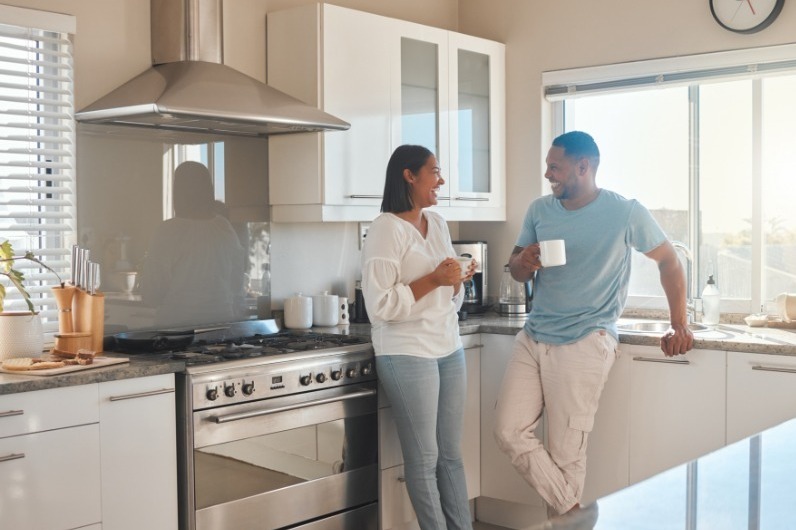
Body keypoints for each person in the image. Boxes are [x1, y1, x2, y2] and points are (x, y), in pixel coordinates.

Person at [493, 131, 694, 521]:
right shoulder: (540, 210)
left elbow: (669, 260)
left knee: (567, 456)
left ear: (584, 167)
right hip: (534, 336)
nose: (548, 173)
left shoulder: (625, 212)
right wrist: (525, 263)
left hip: (586, 340)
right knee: (507, 430)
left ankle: (569, 518)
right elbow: (514, 268)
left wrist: (678, 324)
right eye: (548, 165)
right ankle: (575, 514)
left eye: (556, 166)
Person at [361, 144, 475, 530]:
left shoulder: (438, 223)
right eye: (435, 172)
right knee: (424, 458)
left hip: (448, 345)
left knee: (451, 456)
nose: (440, 180)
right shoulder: (385, 229)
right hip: (407, 352)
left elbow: (449, 299)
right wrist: (434, 279)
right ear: (409, 176)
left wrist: (456, 281)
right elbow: (380, 306)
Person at [139, 161, 245, 328]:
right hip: (221, 324)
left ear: (177, 192)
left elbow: (153, 293)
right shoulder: (224, 227)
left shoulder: (168, 231)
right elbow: (237, 282)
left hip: (177, 327)